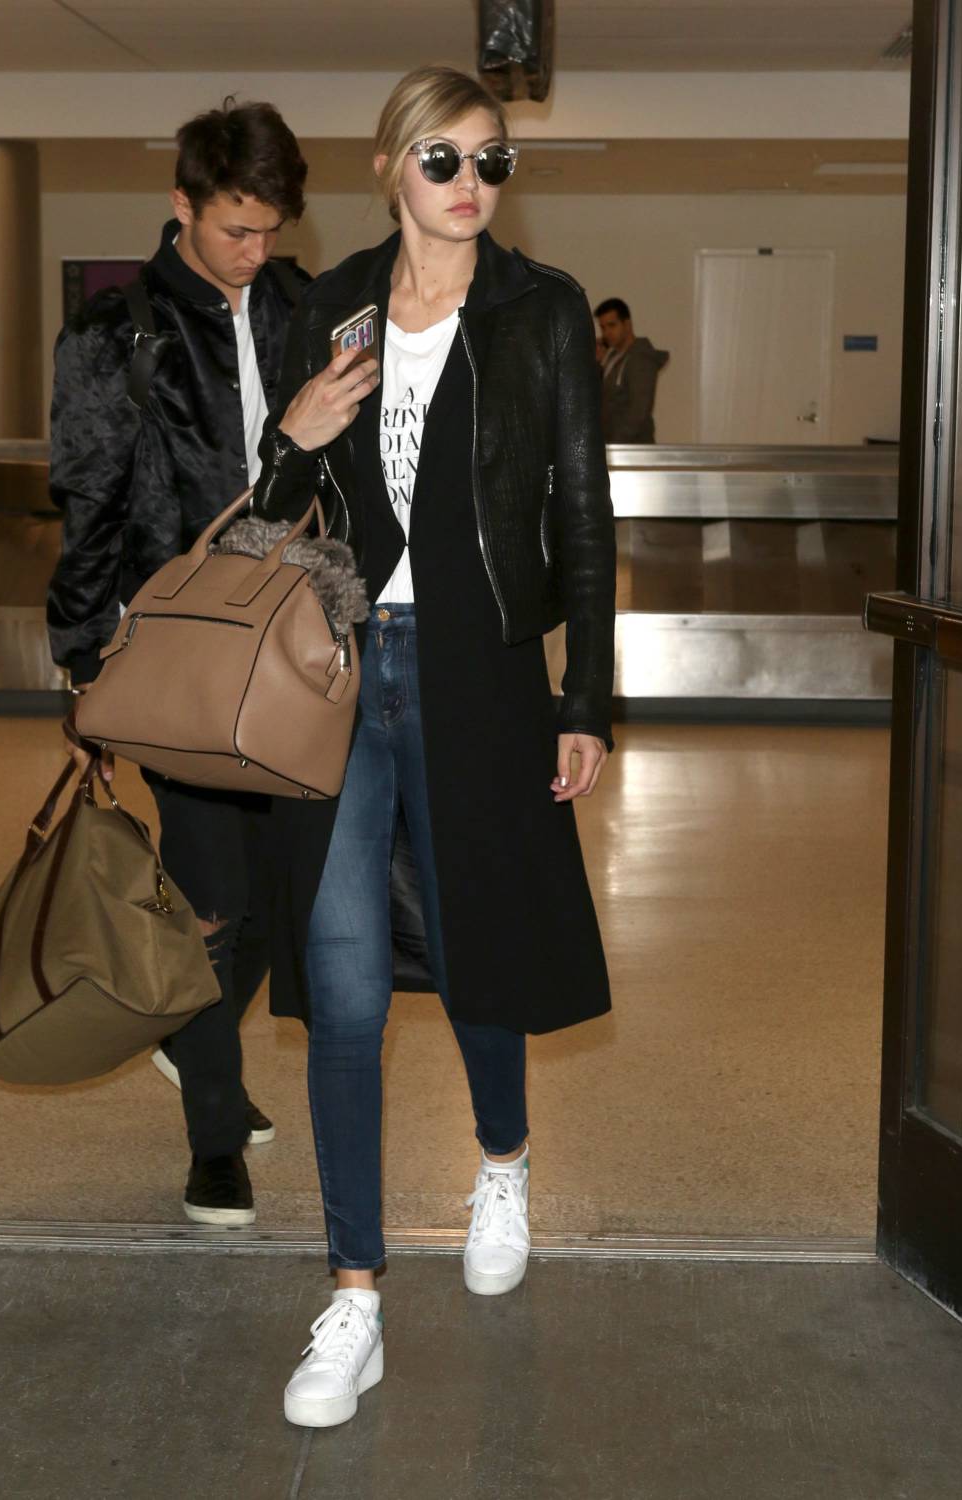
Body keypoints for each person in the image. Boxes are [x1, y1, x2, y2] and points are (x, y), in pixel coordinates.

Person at [252, 64, 616, 1428]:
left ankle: (503, 1159)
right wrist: (291, 436)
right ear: (392, 167)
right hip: (345, 673)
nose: (473, 186)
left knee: (479, 947)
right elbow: (271, 515)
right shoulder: (331, 308)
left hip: (485, 673)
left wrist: (587, 699)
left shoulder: (539, 310)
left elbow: (583, 514)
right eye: (446, 160)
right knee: (343, 982)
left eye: (493, 161)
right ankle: (354, 1299)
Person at [46, 100, 310, 1228]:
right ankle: (214, 1143)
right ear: (182, 206)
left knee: (290, 901)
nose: (254, 251)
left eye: (270, 230)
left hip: (294, 647)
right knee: (213, 900)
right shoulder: (117, 332)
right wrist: (79, 657)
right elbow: (89, 501)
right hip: (175, 654)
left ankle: (188, 1035)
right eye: (235, 230)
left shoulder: (305, 307)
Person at [594, 297, 669, 443]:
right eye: (603, 328)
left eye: (612, 325)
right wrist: (597, 364)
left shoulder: (640, 359)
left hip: (630, 449)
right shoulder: (613, 357)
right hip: (616, 447)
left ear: (627, 324)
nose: (607, 333)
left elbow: (638, 412)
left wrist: (614, 445)